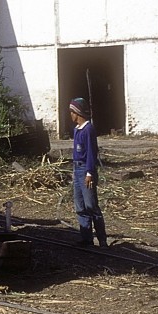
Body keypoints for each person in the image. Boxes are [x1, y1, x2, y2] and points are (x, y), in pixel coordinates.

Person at [69, 97, 108, 247]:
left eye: (72, 112)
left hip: (85, 169)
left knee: (91, 205)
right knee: (80, 206)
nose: (70, 115)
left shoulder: (88, 129)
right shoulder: (77, 130)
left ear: (78, 113)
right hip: (77, 169)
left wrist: (89, 173)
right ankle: (86, 238)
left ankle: (102, 239)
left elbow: (91, 153)